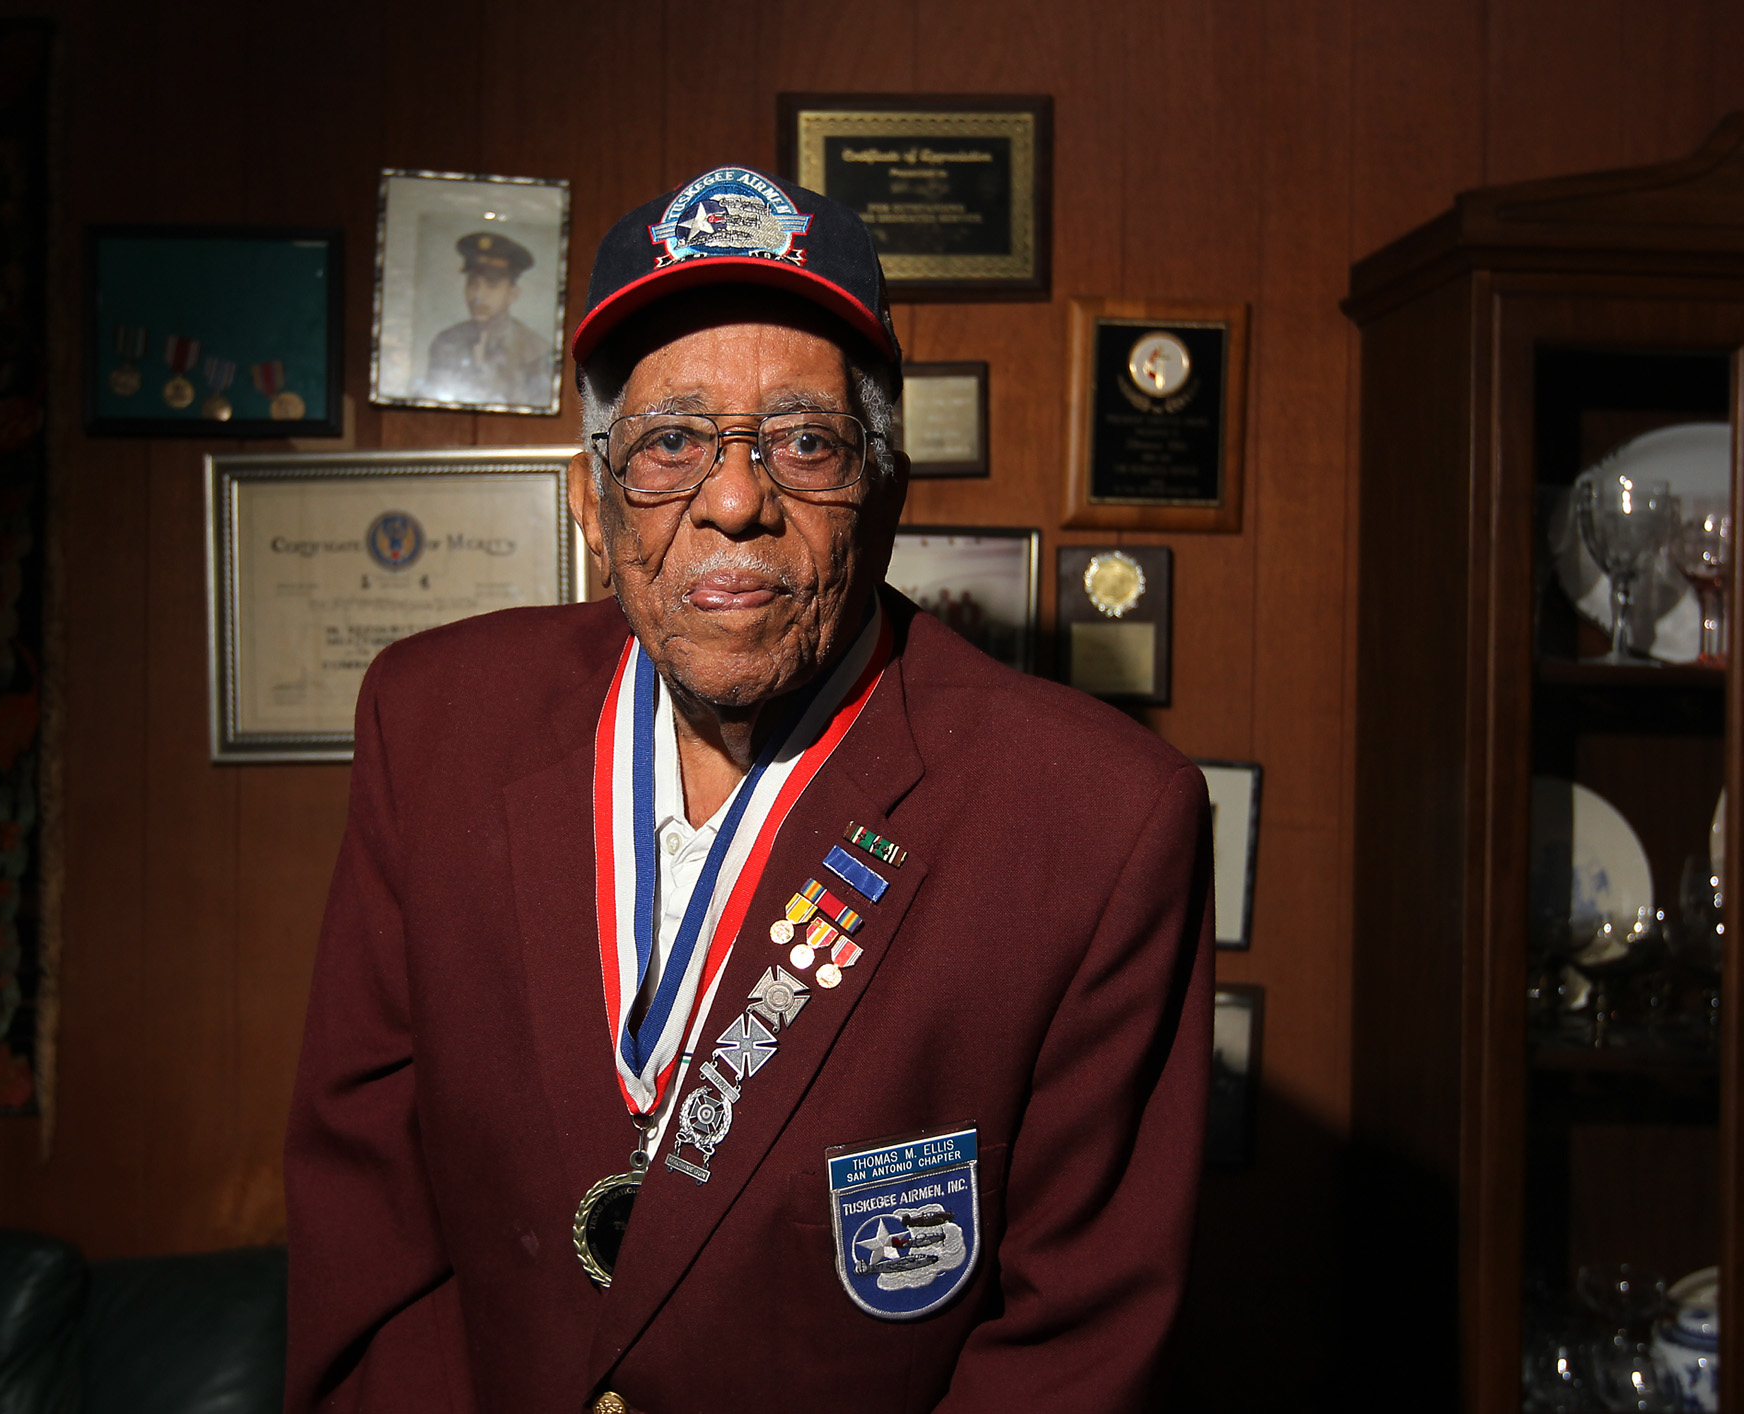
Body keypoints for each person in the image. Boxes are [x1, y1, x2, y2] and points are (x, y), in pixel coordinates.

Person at [286, 164, 1214, 1414]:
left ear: (882, 496)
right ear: (590, 502)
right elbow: (366, 1229)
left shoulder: (1094, 822)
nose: (733, 498)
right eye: (670, 441)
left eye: (803, 439)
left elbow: (1071, 1350)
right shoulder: (433, 726)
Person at [414, 230, 554, 408]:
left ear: (513, 293)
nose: (478, 296)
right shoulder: (446, 342)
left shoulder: (535, 350)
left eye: (492, 285)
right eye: (473, 283)